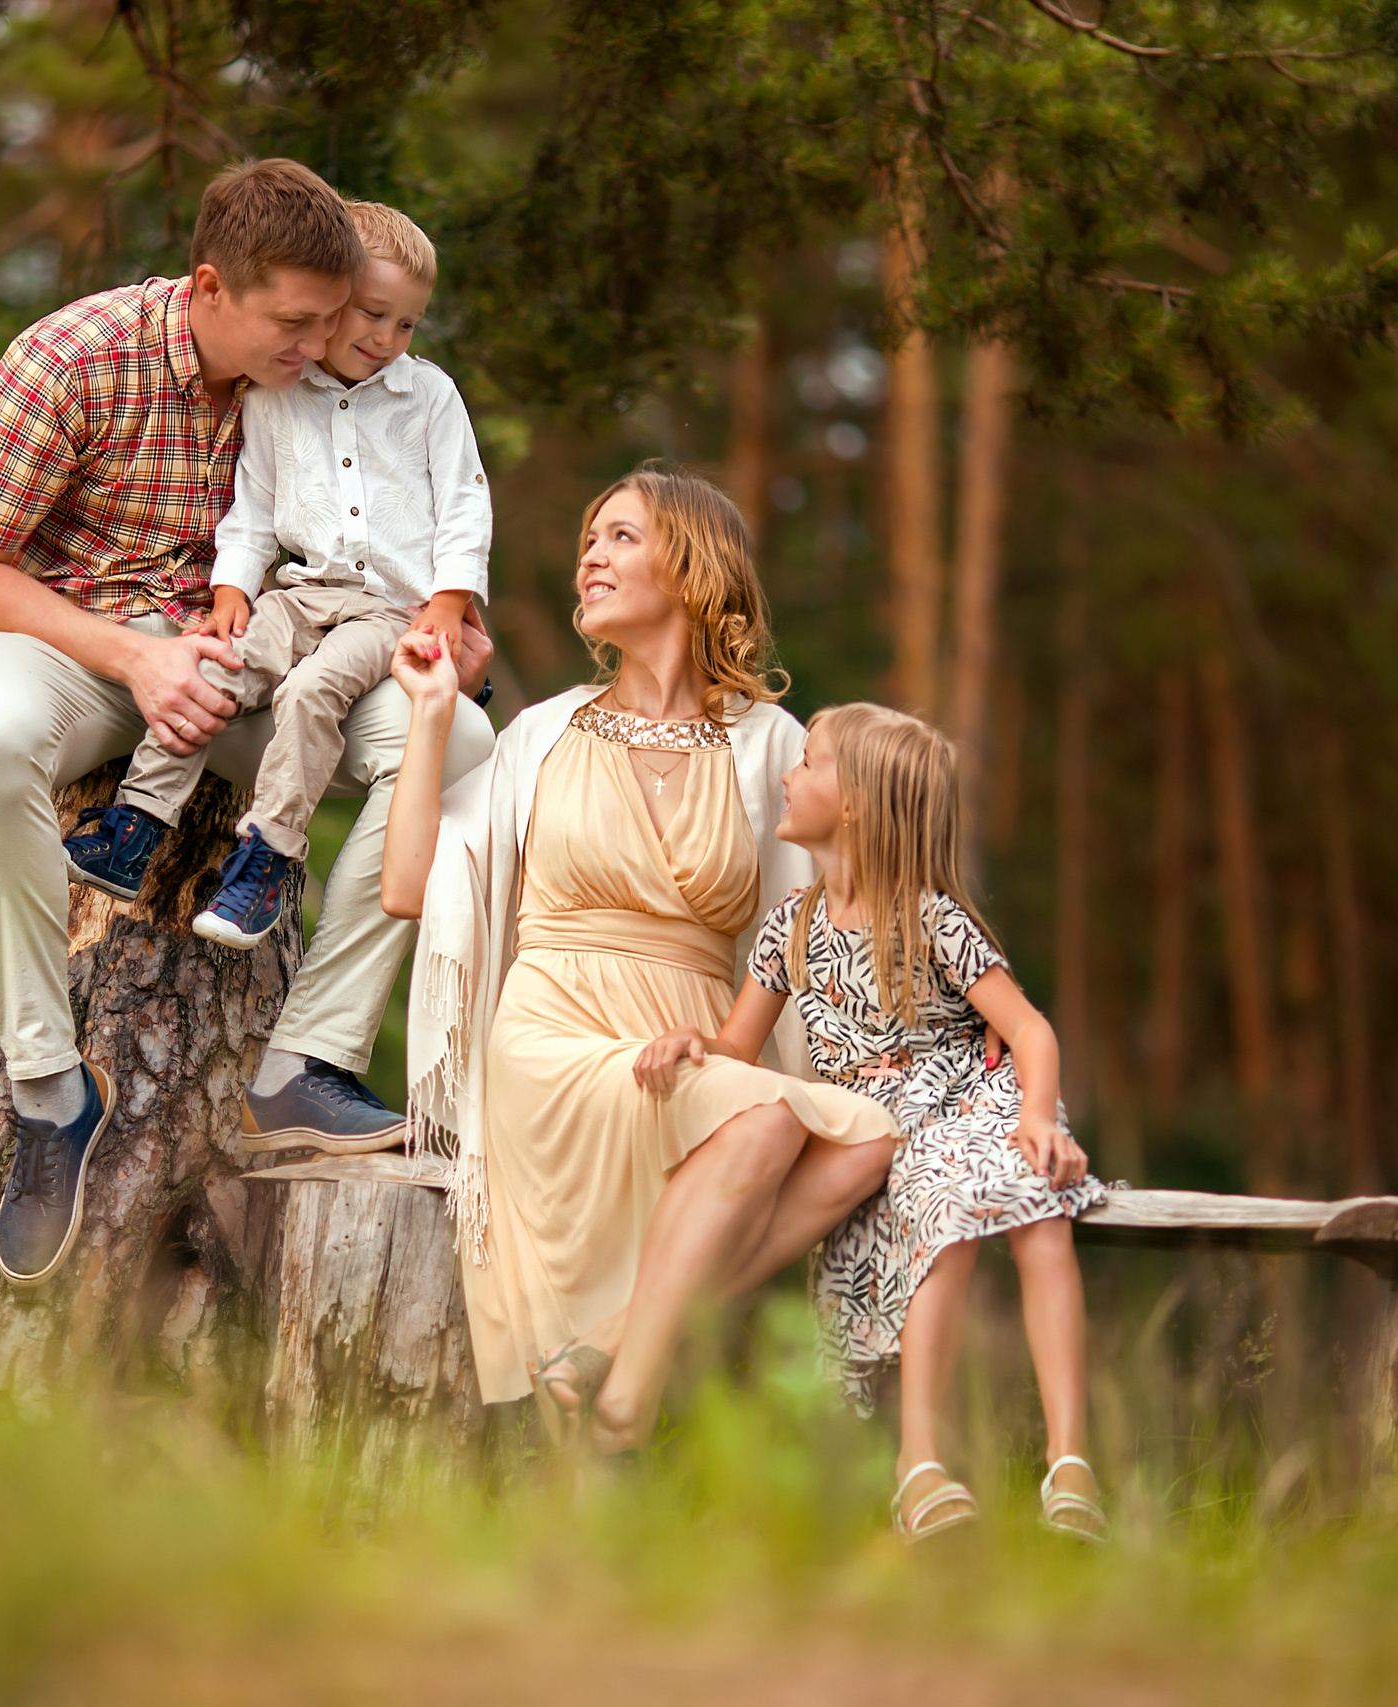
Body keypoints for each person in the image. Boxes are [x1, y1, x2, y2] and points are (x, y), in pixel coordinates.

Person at [0, 159, 494, 1289]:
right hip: (82, 654)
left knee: (463, 756)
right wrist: (131, 654)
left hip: (255, 670)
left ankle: (305, 1061)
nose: (323, 344)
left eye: (338, 321)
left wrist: (452, 634)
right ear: (208, 287)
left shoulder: (329, 378)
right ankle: (49, 1091)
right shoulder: (72, 360)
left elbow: (408, 530)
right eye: (296, 322)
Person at [377, 466, 898, 1439]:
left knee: (868, 1133)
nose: (590, 555)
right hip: (554, 1040)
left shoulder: (768, 742)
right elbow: (408, 888)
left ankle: (615, 1347)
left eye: (619, 536)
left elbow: (827, 919)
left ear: (692, 568)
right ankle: (624, 1397)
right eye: (588, 537)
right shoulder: (540, 733)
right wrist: (434, 713)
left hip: (697, 1047)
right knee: (764, 1126)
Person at [633, 704, 1110, 1543]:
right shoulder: (794, 926)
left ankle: (1071, 1463)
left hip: (975, 1098)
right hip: (885, 1125)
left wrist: (1039, 1118)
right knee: (943, 1212)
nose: (789, 772)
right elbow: (738, 1046)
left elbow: (1029, 1029)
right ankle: (919, 1464)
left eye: (808, 762)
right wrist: (692, 1043)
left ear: (852, 804)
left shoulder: (928, 916)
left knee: (1036, 1211)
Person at [64, 198, 491, 986]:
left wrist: (448, 603)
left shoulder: (428, 397)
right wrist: (230, 589)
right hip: (299, 593)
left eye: (407, 324)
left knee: (311, 691)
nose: (387, 339)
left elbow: (466, 503)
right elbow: (253, 507)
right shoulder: (274, 399)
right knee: (218, 664)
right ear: (329, 306)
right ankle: (135, 827)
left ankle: (267, 857)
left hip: (386, 610)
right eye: (371, 314)